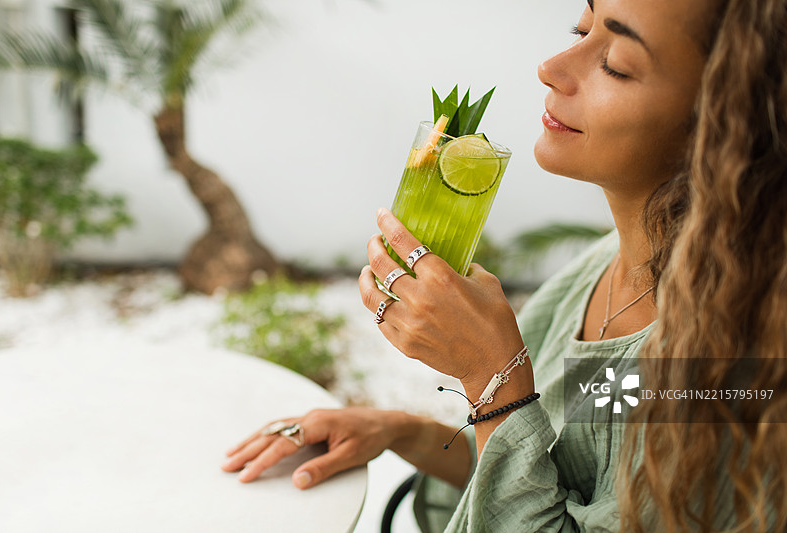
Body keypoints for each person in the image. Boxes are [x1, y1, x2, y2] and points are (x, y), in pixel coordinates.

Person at [221, 0, 787, 530]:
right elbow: (566, 473)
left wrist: (493, 377)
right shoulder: (608, 271)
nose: (551, 68)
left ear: (723, 124)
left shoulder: (728, 372)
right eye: (581, 30)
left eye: (614, 63)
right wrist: (400, 431)